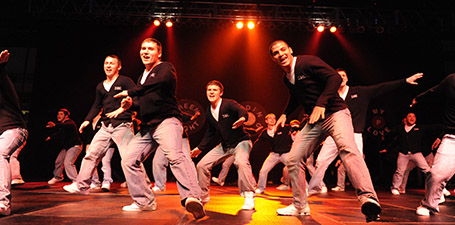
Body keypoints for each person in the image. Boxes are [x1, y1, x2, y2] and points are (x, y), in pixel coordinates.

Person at [269, 40, 381, 221]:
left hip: (336, 112)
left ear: (290, 50)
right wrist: (285, 115)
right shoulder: (286, 77)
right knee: (293, 158)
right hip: (315, 120)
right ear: (273, 59)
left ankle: (368, 198)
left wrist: (321, 104)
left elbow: (334, 78)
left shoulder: (306, 62)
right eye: (275, 53)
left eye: (283, 50)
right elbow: (295, 97)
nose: (280, 54)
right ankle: (300, 205)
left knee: (347, 149)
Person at [113, 38, 205, 219]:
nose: (145, 52)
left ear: (159, 53)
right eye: (142, 49)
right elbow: (143, 104)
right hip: (148, 127)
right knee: (128, 160)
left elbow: (161, 82)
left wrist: (131, 92)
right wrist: (131, 104)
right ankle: (144, 202)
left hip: (167, 121)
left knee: (175, 156)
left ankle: (193, 197)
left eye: (150, 49)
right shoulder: (142, 78)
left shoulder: (165, 68)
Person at [307, 68, 423, 194]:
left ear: (347, 78)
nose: (341, 77)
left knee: (358, 164)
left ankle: (366, 192)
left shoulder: (360, 92)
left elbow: (382, 87)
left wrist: (405, 81)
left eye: (344, 75)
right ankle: (316, 186)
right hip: (335, 133)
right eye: (338, 76)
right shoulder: (330, 96)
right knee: (321, 161)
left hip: (354, 134)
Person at [63, 55, 136, 194]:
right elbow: (96, 105)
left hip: (122, 125)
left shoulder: (125, 81)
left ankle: (142, 187)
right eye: (106, 63)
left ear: (118, 66)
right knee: (91, 154)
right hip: (105, 126)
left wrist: (126, 107)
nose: (108, 66)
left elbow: (135, 96)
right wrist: (87, 120)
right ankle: (81, 186)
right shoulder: (100, 86)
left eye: (112, 63)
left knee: (130, 158)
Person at [191, 80, 257, 210]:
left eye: (214, 90)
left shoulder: (228, 104)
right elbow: (210, 132)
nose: (211, 92)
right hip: (225, 145)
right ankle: (203, 196)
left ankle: (249, 196)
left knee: (241, 162)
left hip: (241, 142)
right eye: (209, 90)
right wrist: (200, 148)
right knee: (202, 165)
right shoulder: (209, 111)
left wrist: (243, 118)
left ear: (221, 93)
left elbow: (242, 110)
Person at [411, 74, 455, 216]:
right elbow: (434, 91)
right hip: (452, 138)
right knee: (436, 175)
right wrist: (418, 98)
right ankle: (430, 205)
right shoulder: (451, 80)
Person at [0, 50, 28, 216]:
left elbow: (2, 75)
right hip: (4, 132)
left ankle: (3, 203)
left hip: (15, 129)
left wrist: (2, 65)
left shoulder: (2, 81)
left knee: (0, 154)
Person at [383, 112, 436, 195]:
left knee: (427, 170)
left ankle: (436, 187)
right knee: (400, 171)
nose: (412, 118)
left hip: (416, 153)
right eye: (409, 116)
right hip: (403, 154)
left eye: (414, 116)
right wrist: (387, 148)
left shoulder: (419, 128)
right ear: (405, 119)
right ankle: (395, 187)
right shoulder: (400, 128)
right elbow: (391, 137)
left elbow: (433, 128)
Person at [151, 111, 200, 192]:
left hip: (180, 138)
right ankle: (160, 185)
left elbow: (181, 115)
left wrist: (192, 116)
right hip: (165, 138)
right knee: (158, 161)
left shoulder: (171, 108)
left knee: (187, 161)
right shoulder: (156, 110)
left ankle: (195, 183)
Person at [254, 113, 299, 194]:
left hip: (286, 154)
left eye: (274, 118)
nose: (272, 120)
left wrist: (297, 128)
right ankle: (260, 188)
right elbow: (258, 143)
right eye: (270, 118)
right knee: (263, 171)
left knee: (295, 169)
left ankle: (305, 187)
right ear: (266, 121)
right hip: (274, 154)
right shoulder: (265, 132)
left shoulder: (282, 127)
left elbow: (294, 127)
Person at [81, 112, 116, 191]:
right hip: (95, 144)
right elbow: (89, 135)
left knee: (105, 162)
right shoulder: (90, 123)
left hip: (109, 145)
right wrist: (88, 145)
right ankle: (95, 182)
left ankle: (107, 182)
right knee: (92, 161)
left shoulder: (103, 120)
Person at [46, 109, 82, 185]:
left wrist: (55, 125)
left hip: (75, 146)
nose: (58, 116)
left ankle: (76, 181)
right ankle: (58, 177)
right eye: (58, 114)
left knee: (68, 163)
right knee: (59, 161)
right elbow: (60, 133)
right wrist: (51, 137)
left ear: (66, 116)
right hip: (67, 147)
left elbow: (66, 126)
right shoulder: (63, 125)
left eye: (61, 114)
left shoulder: (70, 123)